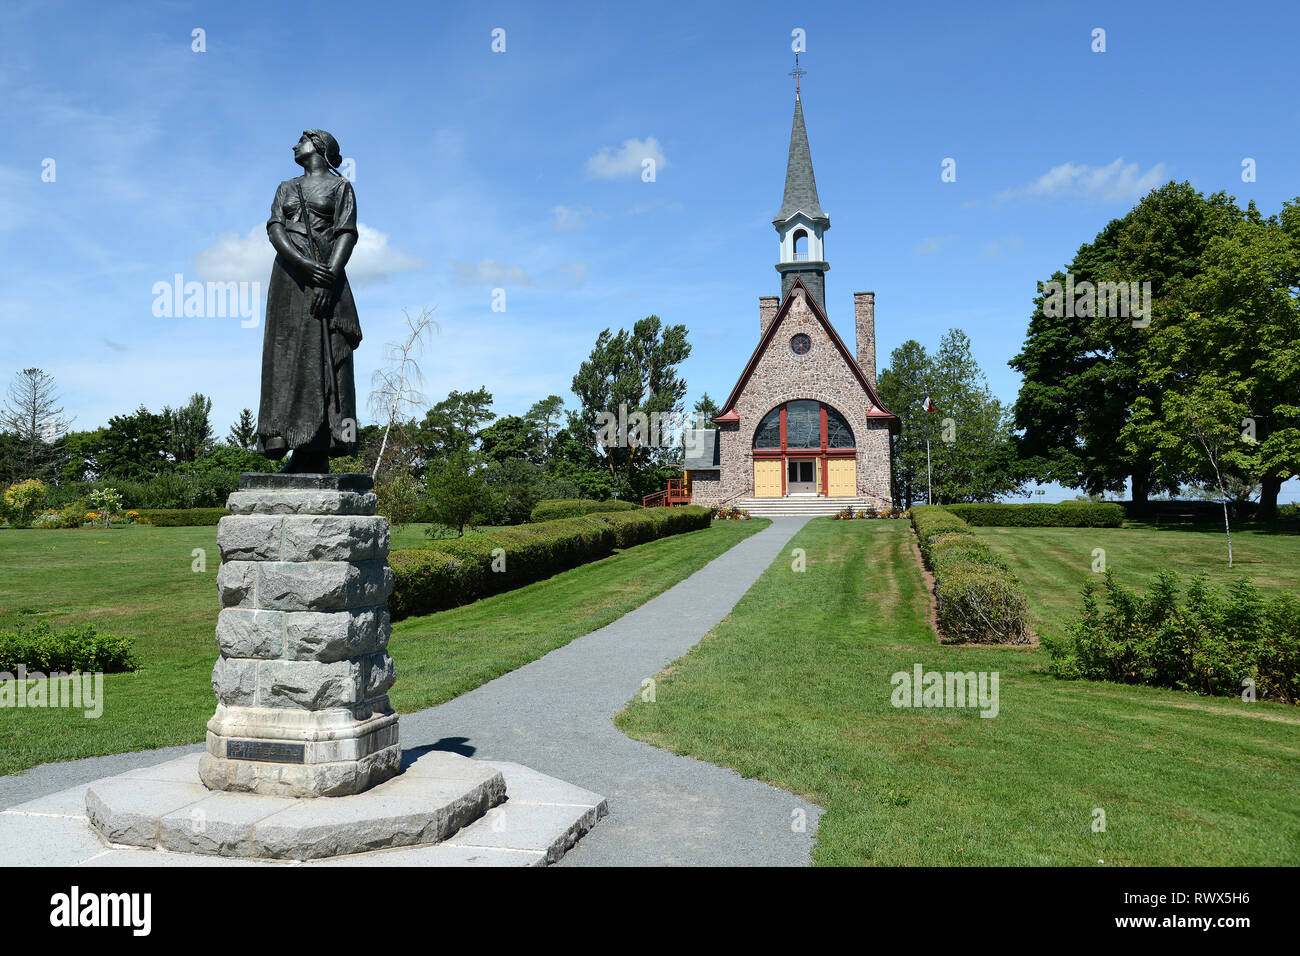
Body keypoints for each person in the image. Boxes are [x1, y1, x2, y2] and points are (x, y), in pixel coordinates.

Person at [257, 129, 362, 473]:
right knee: (284, 358)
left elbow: (346, 232)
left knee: (327, 356)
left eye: (300, 140)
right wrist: (304, 265)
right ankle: (285, 440)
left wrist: (327, 276)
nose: (293, 145)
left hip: (326, 281)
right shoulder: (286, 188)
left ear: (318, 147)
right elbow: (275, 228)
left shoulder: (341, 187)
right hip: (289, 279)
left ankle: (321, 444)